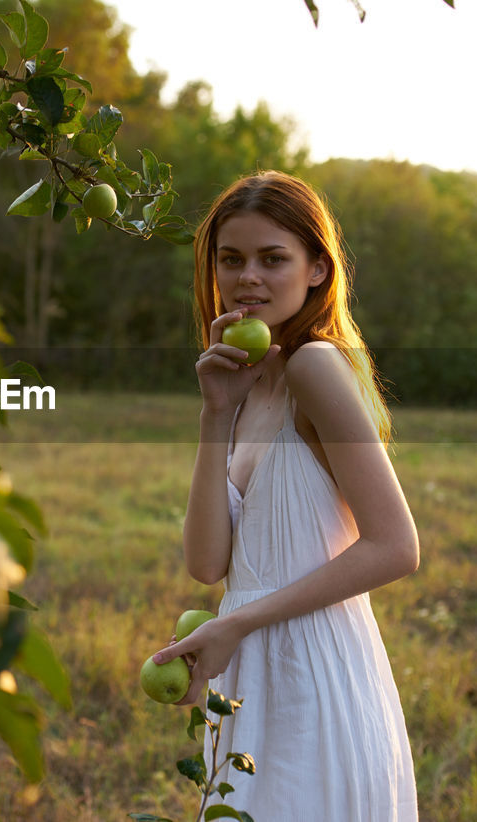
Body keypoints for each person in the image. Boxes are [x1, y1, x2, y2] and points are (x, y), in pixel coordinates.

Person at [149, 171, 420, 820]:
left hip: (312, 668)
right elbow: (207, 565)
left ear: (318, 270)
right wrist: (215, 414)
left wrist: (236, 623)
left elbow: (395, 547)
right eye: (231, 259)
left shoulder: (314, 367)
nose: (249, 278)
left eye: (274, 259)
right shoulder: (246, 386)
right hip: (251, 673)